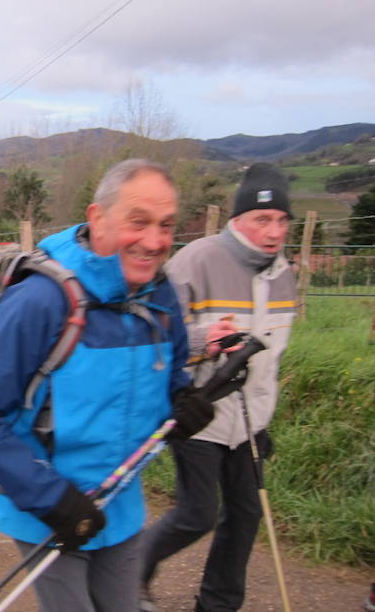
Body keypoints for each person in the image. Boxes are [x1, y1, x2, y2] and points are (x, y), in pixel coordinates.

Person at [0, 159, 214, 612]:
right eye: (139, 222)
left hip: (122, 503)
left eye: (166, 225)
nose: (155, 241)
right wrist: (50, 499)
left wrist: (181, 397)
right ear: (97, 218)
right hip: (47, 509)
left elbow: (169, 368)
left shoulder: (159, 292)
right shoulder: (40, 300)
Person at [140, 162, 297, 612]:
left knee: (246, 516)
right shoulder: (196, 260)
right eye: (262, 219)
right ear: (237, 220)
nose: (273, 230)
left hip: (250, 421)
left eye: (282, 220)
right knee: (197, 514)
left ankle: (217, 604)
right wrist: (201, 343)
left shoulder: (284, 273)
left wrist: (263, 419)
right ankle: (134, 572)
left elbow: (273, 358)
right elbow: (154, 334)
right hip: (200, 412)